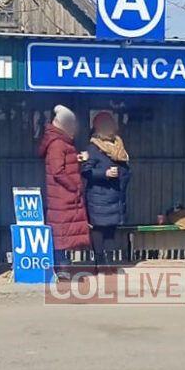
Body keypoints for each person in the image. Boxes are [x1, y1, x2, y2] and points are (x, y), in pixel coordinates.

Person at [37, 104, 91, 270]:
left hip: (62, 196)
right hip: (63, 196)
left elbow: (61, 164)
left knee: (63, 231)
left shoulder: (60, 142)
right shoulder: (57, 144)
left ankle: (61, 263)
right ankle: (60, 265)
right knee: (60, 232)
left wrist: (76, 158)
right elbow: (58, 171)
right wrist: (75, 186)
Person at [81, 111, 131, 267]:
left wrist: (122, 173)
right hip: (98, 197)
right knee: (98, 229)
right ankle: (100, 263)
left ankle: (110, 263)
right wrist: (105, 173)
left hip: (114, 196)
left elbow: (126, 169)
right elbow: (86, 171)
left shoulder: (118, 145)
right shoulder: (93, 147)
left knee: (111, 230)